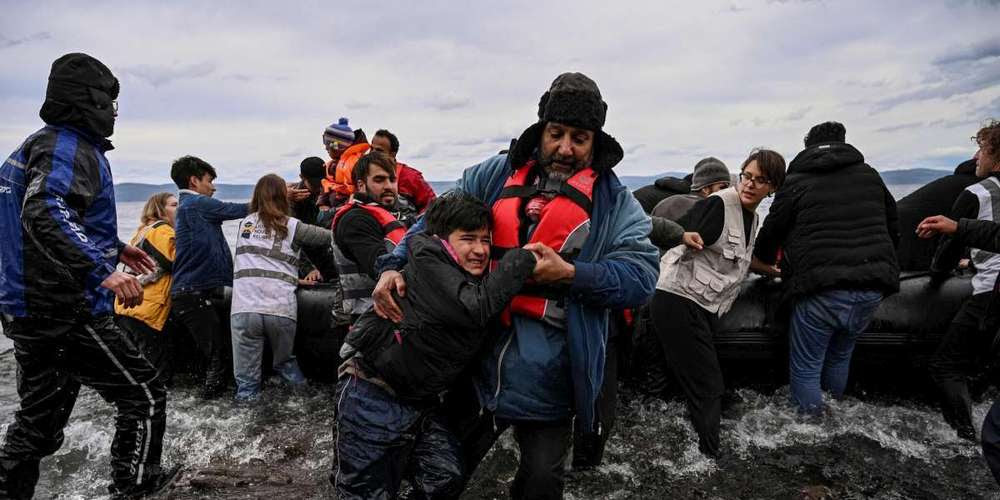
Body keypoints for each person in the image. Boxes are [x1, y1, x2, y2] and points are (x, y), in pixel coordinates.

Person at [373, 72, 659, 499]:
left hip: (554, 374)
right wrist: (393, 265)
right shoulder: (494, 175)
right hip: (475, 358)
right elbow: (432, 222)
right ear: (541, 130)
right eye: (556, 133)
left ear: (594, 141)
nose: (565, 148)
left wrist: (573, 275)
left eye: (579, 138)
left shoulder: (616, 202)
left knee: (541, 483)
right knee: (438, 471)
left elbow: (642, 275)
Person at [0, 52, 177, 499]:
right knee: (145, 395)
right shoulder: (68, 147)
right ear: (90, 101)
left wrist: (116, 247)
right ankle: (135, 488)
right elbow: (44, 211)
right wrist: (102, 269)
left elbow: (44, 218)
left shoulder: (30, 148)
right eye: (110, 102)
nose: (114, 113)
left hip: (27, 311)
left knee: (37, 427)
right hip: (65, 310)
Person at [334, 192, 543, 499]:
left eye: (485, 240)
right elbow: (474, 307)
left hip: (420, 405)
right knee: (364, 492)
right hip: (370, 394)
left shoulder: (468, 278)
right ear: (443, 240)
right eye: (468, 239)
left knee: (444, 476)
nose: (480, 250)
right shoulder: (428, 260)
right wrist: (524, 258)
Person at [754, 121, 900, 416]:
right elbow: (893, 224)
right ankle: (838, 419)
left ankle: (812, 428)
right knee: (839, 356)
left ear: (807, 145)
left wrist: (765, 262)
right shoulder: (869, 176)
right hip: (872, 285)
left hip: (820, 289)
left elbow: (771, 232)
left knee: (807, 366)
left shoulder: (796, 181)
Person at [652, 149, 786, 458]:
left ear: (773, 187)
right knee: (709, 386)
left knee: (700, 381)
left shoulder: (750, 217)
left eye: (760, 180)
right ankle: (707, 459)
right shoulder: (719, 204)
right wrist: (683, 236)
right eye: (746, 176)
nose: (749, 184)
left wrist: (770, 270)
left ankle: (686, 441)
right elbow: (675, 232)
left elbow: (736, 257)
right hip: (678, 300)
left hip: (703, 306)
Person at [922, 120, 1000, 440]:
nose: (976, 156)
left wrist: (937, 276)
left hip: (992, 290)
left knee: (945, 366)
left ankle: (966, 441)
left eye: (982, 148)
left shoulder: (976, 192)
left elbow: (948, 248)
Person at [230, 174, 334, 401]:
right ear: (284, 198)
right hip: (281, 309)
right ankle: (306, 403)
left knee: (247, 384)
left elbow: (257, 264)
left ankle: (247, 422)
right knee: (285, 364)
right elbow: (332, 238)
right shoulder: (293, 226)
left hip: (244, 309)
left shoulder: (244, 224)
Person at [169, 155, 249, 399]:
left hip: (193, 291)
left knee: (212, 352)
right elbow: (237, 210)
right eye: (209, 180)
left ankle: (207, 399)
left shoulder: (190, 208)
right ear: (194, 181)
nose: (213, 187)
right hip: (194, 292)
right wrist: (275, 196)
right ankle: (208, 403)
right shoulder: (195, 204)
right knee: (217, 355)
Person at [332, 151, 414, 324]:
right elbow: (376, 260)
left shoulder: (397, 217)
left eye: (392, 180)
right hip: (368, 317)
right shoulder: (354, 220)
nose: (389, 186)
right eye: (379, 180)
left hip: (399, 315)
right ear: (361, 185)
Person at [115, 192, 179, 386]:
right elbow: (175, 260)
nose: (180, 209)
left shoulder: (141, 231)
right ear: (159, 209)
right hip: (146, 308)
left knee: (137, 364)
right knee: (157, 369)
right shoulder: (162, 230)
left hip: (126, 305)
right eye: (174, 205)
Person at [895, 159, 978, 271]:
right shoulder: (978, 188)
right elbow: (962, 230)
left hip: (896, 222)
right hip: (918, 231)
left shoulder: (947, 182)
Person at [370, 128, 438, 213]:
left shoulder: (412, 177)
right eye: (371, 148)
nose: (372, 153)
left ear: (393, 154)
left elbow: (433, 205)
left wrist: (416, 225)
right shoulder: (363, 174)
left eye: (379, 150)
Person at [652, 157, 732, 222]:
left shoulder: (664, 203)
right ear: (705, 189)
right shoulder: (707, 210)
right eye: (722, 187)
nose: (726, 191)